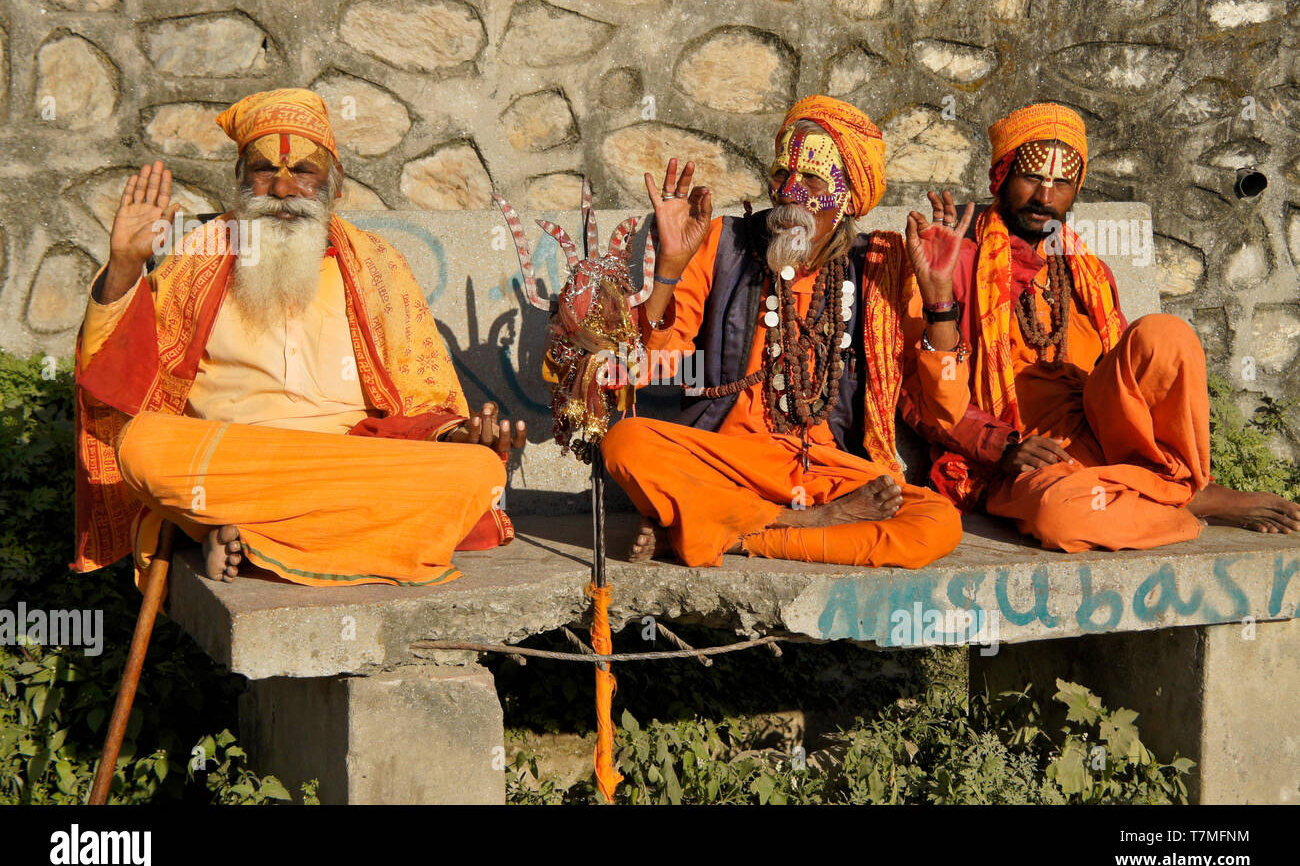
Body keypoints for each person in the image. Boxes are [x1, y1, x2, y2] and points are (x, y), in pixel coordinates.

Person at [74, 88, 526, 587]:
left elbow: (423, 402)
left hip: (350, 460)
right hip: (233, 458)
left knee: (476, 471)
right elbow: (119, 381)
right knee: (143, 445)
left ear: (336, 185)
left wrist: (457, 434)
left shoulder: (379, 266)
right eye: (265, 170)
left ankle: (247, 533)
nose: (283, 189)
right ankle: (331, 536)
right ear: (240, 180)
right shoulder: (198, 256)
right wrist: (123, 267)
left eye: (304, 172)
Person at [901, 101, 1300, 551]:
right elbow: (924, 403)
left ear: (1076, 189)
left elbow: (1131, 374)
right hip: (1035, 457)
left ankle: (1167, 483)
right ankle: (1180, 498)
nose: (1044, 198)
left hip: (1109, 432)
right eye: (1031, 177)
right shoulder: (957, 259)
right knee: (1059, 517)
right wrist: (1002, 446)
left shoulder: (1085, 269)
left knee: (1165, 334)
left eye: (1062, 183)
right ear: (1002, 175)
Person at [601, 95, 963, 568]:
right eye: (781, 174)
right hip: (723, 460)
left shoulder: (881, 268)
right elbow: (644, 371)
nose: (791, 191)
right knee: (626, 442)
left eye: (812, 179)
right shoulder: (722, 242)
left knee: (938, 523)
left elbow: (946, 411)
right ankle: (798, 522)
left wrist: (938, 301)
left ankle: (731, 534)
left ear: (850, 196)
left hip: (821, 468)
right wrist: (668, 269)